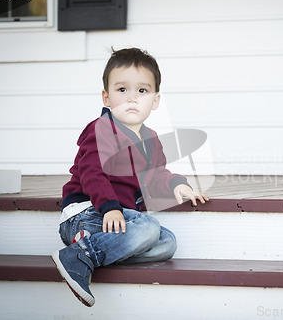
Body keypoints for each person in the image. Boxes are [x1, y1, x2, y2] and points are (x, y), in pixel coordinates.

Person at [52, 47, 209, 307]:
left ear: (155, 100)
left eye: (142, 91)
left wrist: (177, 184)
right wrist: (110, 208)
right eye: (122, 90)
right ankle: (79, 257)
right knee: (148, 227)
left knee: (167, 243)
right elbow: (93, 174)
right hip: (89, 213)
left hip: (118, 220)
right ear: (106, 97)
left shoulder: (151, 140)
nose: (132, 99)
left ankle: (92, 250)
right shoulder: (102, 129)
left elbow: (156, 176)